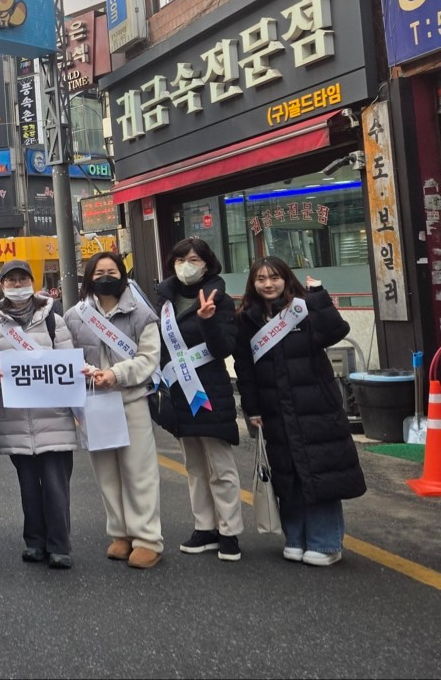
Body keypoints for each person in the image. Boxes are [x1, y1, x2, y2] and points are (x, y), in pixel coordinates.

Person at [235, 256, 365, 566]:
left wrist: (319, 295)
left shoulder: (303, 309)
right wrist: (251, 408)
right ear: (253, 284)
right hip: (273, 408)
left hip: (315, 407)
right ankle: (295, 538)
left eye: (275, 277)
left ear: (286, 278)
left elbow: (335, 331)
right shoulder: (246, 318)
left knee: (320, 473)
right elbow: (244, 369)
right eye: (261, 279)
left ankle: (324, 542)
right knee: (287, 474)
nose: (269, 284)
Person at [64, 252, 164, 569]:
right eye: (98, 271)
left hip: (131, 399)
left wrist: (116, 375)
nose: (105, 275)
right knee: (106, 473)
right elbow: (65, 355)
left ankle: (147, 538)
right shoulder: (74, 316)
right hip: (94, 402)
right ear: (89, 277)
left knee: (139, 471)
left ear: (122, 274)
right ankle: (120, 533)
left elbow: (149, 359)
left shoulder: (142, 315)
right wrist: (88, 374)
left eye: (112, 270)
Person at [153, 237, 244, 562]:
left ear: (207, 264)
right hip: (178, 391)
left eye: (193, 259)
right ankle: (204, 527)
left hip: (210, 390)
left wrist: (207, 321)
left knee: (220, 466)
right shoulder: (165, 300)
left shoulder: (221, 299)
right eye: (180, 259)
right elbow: (160, 347)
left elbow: (224, 349)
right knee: (193, 465)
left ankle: (229, 531)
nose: (186, 266)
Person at [0, 259, 77, 568]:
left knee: (55, 485)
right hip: (16, 418)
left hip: (54, 415)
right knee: (28, 487)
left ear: (33, 283)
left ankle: (59, 546)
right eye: (11, 281)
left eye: (23, 279)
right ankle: (34, 542)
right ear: (2, 286)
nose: (17, 285)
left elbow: (68, 365)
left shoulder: (53, 320)